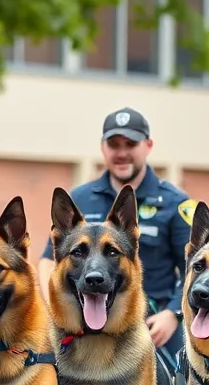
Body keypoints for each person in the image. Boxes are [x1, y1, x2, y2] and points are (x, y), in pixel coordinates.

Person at [38, 107, 195, 363]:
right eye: (114, 144)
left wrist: (172, 313)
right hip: (83, 319)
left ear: (148, 145)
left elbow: (194, 266)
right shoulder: (79, 197)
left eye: (130, 144)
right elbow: (48, 260)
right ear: (103, 148)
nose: (122, 153)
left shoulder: (176, 202)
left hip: (154, 322)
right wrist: (56, 309)